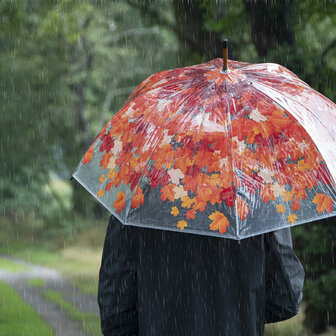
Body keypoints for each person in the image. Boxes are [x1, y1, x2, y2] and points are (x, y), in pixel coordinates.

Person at [98, 215, 304, 336]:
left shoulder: (136, 205)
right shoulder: (255, 203)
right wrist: (236, 313)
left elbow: (115, 313)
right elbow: (286, 298)